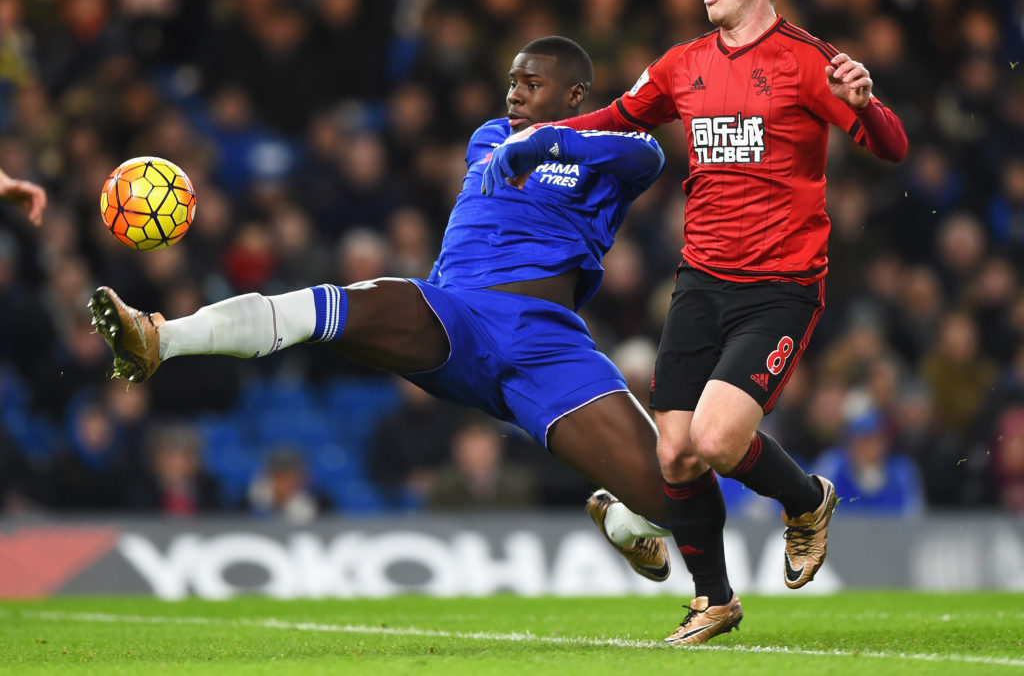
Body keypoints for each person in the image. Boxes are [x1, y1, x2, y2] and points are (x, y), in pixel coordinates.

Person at [90, 36, 675, 582]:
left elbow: (644, 154)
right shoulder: (492, 138)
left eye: (532, 83)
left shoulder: (614, 151)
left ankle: (632, 520)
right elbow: (529, 155)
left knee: (673, 490)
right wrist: (540, 141)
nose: (515, 93)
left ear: (574, 94)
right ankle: (160, 339)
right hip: (460, 317)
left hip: (545, 343)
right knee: (333, 307)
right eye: (512, 81)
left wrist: (556, 140)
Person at [491, 0, 907, 644]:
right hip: (701, 283)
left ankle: (808, 500)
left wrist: (868, 108)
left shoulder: (808, 61)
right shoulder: (685, 64)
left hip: (780, 287)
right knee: (675, 451)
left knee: (716, 440)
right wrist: (545, 136)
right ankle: (714, 600)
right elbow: (621, 115)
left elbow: (892, 147)